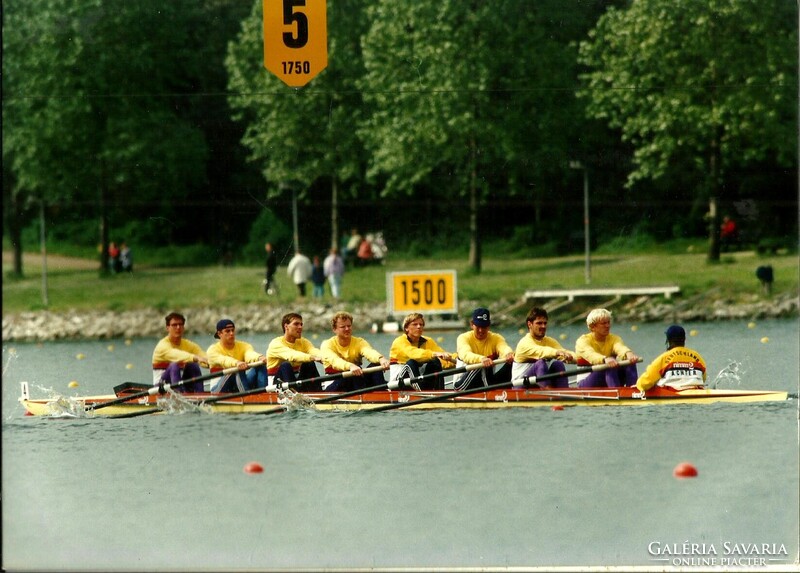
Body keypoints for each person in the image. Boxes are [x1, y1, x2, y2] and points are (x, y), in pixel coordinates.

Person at [320, 312, 390, 391]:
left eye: (349, 326)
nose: (347, 329)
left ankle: (382, 395)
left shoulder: (359, 342)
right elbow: (335, 361)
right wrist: (350, 366)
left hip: (356, 379)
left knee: (376, 365)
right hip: (334, 381)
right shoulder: (327, 344)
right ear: (334, 329)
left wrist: (381, 359)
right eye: (343, 327)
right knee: (351, 375)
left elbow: (369, 352)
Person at [574, 308, 641, 388]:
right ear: (593, 327)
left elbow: (620, 347)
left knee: (629, 362)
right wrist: (605, 359)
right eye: (603, 323)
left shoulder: (614, 339)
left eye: (608, 322)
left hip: (607, 375)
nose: (607, 326)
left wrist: (628, 353)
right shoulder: (582, 341)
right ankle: (616, 393)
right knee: (609, 365)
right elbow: (591, 354)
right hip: (585, 382)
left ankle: (633, 390)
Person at [389, 312, 456, 390]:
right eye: (415, 324)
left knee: (435, 362)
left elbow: (444, 361)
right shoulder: (399, 341)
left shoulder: (428, 341)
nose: (419, 327)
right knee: (412, 362)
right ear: (406, 328)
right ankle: (422, 395)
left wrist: (459, 359)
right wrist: (433, 354)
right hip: (398, 383)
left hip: (417, 380)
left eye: (421, 325)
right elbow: (413, 353)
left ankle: (439, 393)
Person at [512, 307, 576, 388]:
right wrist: (556, 352)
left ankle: (564, 396)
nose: (543, 326)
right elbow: (541, 351)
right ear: (529, 324)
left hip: (537, 385)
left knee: (558, 364)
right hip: (520, 388)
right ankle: (548, 396)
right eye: (539, 323)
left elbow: (566, 353)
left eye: (545, 323)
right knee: (540, 363)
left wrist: (585, 360)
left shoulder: (550, 341)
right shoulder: (524, 343)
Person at [454, 307, 515, 391]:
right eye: (478, 326)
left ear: (489, 326)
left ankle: (515, 390)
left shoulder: (496, 338)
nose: (481, 330)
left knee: (514, 362)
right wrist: (481, 359)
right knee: (480, 366)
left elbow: (504, 348)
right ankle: (493, 393)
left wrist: (509, 354)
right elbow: (466, 354)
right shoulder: (463, 338)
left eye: (484, 327)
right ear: (472, 324)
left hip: (487, 382)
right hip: (461, 386)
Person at [636, 325, 707, 392]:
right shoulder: (697, 357)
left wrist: (638, 386)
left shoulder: (663, 359)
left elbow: (644, 383)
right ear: (684, 339)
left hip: (671, 395)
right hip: (697, 394)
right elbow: (703, 378)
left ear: (668, 340)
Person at [206, 319, 269, 393]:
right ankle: (247, 398)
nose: (231, 333)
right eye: (228, 331)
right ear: (220, 334)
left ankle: (264, 395)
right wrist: (237, 363)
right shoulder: (212, 350)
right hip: (218, 390)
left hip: (238, 384)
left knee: (260, 365)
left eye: (233, 330)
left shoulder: (243, 346)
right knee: (236, 369)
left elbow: (249, 354)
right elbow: (224, 360)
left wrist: (259, 358)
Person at [151, 312, 208, 393]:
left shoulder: (188, 345)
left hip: (179, 384)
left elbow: (204, 357)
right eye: (174, 325)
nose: (178, 327)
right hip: (161, 387)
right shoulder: (162, 346)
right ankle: (179, 398)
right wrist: (195, 358)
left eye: (180, 324)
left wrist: (212, 363)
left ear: (183, 327)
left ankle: (201, 397)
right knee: (174, 365)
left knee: (193, 365)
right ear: (167, 328)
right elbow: (176, 354)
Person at [266, 312, 325, 390]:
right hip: (276, 383)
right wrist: (312, 357)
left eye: (301, 324)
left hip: (295, 380)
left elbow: (314, 351)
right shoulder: (275, 343)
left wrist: (325, 358)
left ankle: (318, 393)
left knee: (309, 364)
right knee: (285, 365)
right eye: (296, 324)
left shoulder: (303, 342)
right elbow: (291, 355)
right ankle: (294, 395)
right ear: (286, 326)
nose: (300, 327)